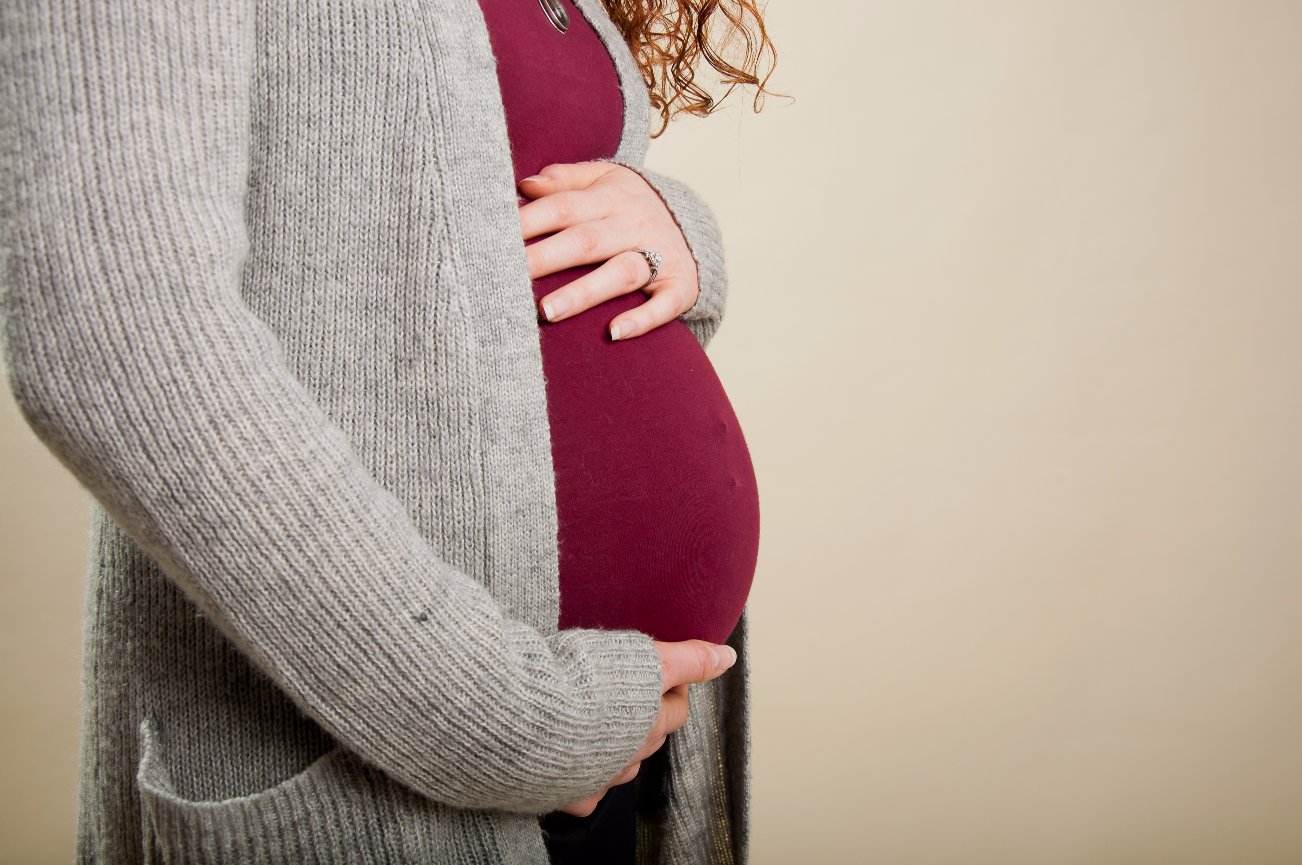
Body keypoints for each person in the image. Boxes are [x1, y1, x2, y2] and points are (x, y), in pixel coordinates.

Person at [0, 0, 779, 862]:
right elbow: (115, 331)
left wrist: (674, 224)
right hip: (395, 759)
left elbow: (466, 201)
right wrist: (504, 722)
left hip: (616, 735)